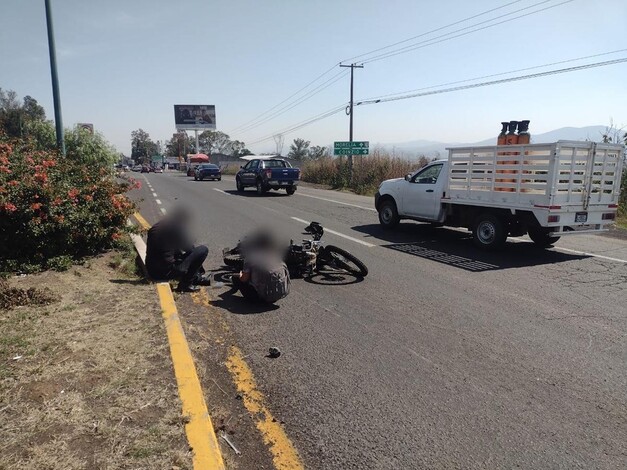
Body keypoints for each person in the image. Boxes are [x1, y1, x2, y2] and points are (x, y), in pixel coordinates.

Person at [145, 207, 209, 292]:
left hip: (151, 270)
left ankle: (194, 277)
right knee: (203, 250)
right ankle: (186, 284)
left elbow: (166, 247)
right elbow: (188, 249)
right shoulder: (177, 227)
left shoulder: (157, 226)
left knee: (176, 253)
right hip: (166, 272)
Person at [231, 231, 290, 303]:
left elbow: (244, 279)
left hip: (260, 298)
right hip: (277, 296)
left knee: (235, 278)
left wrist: (240, 274)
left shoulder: (251, 257)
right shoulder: (276, 256)